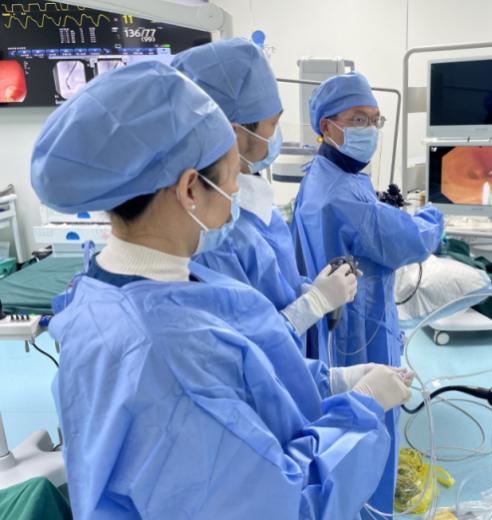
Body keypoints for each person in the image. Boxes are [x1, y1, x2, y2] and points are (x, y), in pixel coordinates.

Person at [32, 61, 413, 520]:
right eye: (232, 176)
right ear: (190, 189)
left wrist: (333, 381)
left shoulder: (123, 286)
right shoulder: (168, 360)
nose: (238, 190)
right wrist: (362, 408)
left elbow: (246, 373)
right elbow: (284, 506)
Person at [292, 71, 445, 516]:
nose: (370, 130)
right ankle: (372, 508)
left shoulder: (321, 174)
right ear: (326, 126)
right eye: (358, 119)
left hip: (332, 319)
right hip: (358, 326)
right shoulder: (343, 195)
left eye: (375, 120)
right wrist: (435, 213)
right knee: (373, 421)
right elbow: (408, 240)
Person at [172, 38, 349, 355]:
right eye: (273, 124)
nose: (275, 135)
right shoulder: (215, 233)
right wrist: (315, 302)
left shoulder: (253, 203)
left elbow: (275, 286)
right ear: (234, 133)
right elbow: (244, 351)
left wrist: (308, 291)